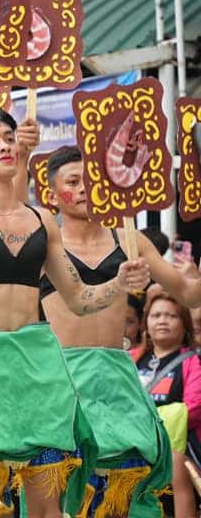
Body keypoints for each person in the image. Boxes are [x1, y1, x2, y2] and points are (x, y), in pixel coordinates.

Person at [0, 106, 150, 518]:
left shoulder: (43, 218)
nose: (4, 145)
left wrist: (120, 283)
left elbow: (79, 298)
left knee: (46, 503)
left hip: (38, 365)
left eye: (8, 138)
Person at [38, 145, 200, 517]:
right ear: (51, 194)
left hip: (116, 379)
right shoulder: (44, 244)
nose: (83, 189)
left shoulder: (129, 239)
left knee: (125, 486)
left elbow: (189, 293)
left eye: (91, 180)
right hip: (63, 380)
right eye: (73, 182)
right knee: (65, 491)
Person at [131, 291, 201, 518]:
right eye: (156, 315)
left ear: (185, 324)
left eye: (171, 316)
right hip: (133, 441)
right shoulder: (130, 358)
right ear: (146, 323)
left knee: (176, 461)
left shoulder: (194, 359)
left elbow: (194, 407)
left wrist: (150, 427)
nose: (162, 320)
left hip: (177, 445)